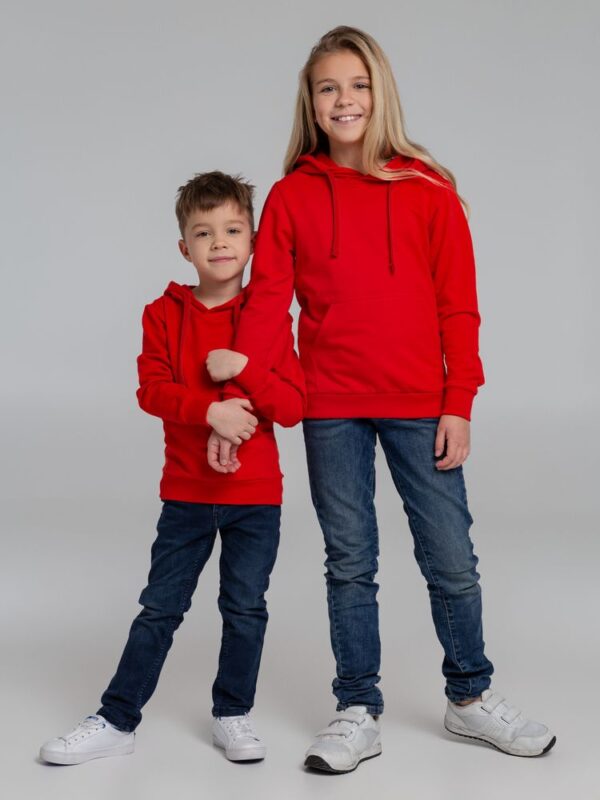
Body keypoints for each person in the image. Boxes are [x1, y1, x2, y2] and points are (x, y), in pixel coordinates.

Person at [214, 26, 556, 772]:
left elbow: (458, 306)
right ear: (311, 101)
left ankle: (469, 696)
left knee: (451, 556)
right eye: (328, 87)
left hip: (419, 400)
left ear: (380, 93)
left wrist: (459, 400)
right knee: (350, 560)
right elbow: (265, 310)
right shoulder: (293, 197)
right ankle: (357, 709)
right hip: (330, 404)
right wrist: (240, 401)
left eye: (358, 85)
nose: (345, 100)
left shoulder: (429, 189)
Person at [39, 171, 306, 766]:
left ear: (253, 240)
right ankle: (116, 719)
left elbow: (292, 407)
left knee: (245, 609)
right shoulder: (163, 313)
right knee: (161, 607)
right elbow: (151, 390)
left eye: (233, 230)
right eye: (204, 232)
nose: (219, 242)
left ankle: (232, 714)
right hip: (186, 493)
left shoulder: (268, 319)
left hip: (255, 497)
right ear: (185, 247)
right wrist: (212, 412)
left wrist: (246, 373)